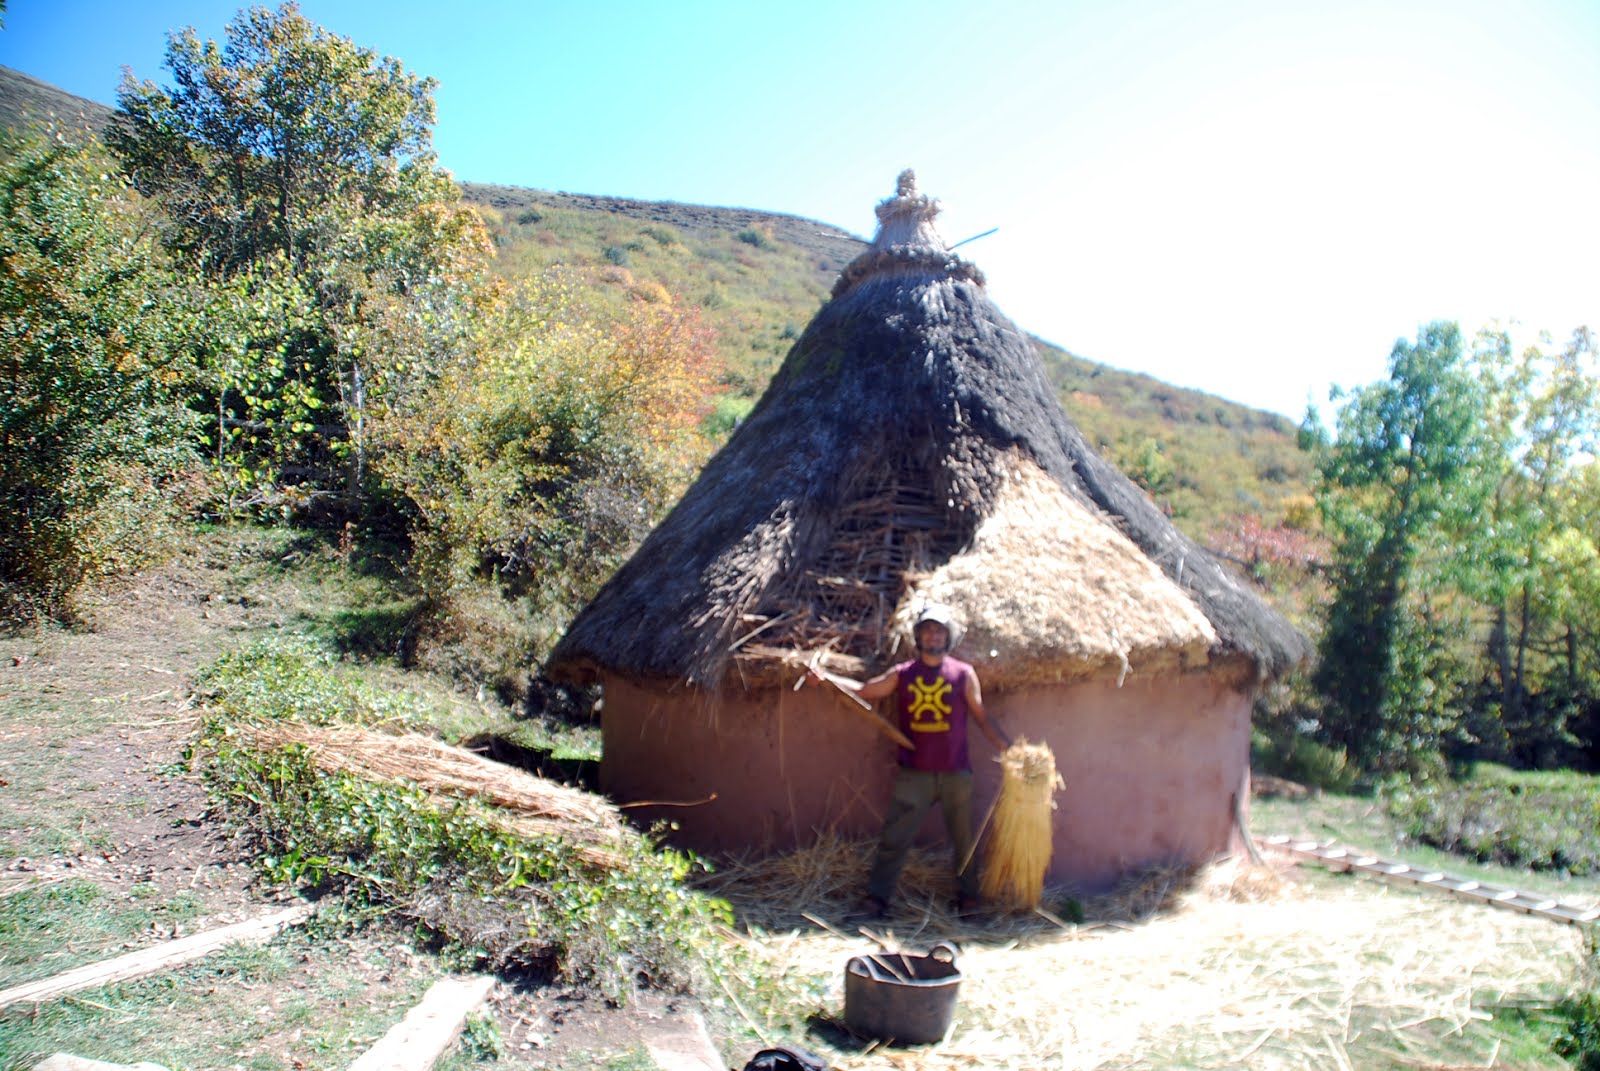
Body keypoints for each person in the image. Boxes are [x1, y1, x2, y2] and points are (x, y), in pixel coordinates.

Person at [809, 603, 1010, 917]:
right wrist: (826, 679)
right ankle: (877, 900)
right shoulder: (903, 674)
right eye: (928, 630)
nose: (933, 636)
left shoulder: (963, 675)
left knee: (964, 841)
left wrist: (1010, 751)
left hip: (956, 775)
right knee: (895, 838)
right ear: (919, 636)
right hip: (914, 774)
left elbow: (982, 718)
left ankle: (969, 900)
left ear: (948, 636)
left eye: (939, 630)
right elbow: (865, 690)